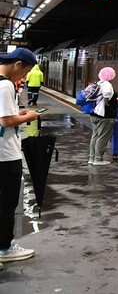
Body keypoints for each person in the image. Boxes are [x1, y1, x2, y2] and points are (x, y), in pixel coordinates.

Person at [0, 47, 41, 265]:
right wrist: (29, 116)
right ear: (17, 65)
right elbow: (5, 121)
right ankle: (5, 248)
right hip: (6, 154)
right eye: (24, 72)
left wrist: (18, 113)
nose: (23, 77)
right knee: (7, 203)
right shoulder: (5, 84)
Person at [88, 67, 117, 166]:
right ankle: (98, 159)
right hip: (105, 116)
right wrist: (106, 101)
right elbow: (107, 94)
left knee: (95, 136)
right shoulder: (107, 84)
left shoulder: (97, 84)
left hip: (94, 114)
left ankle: (92, 158)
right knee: (102, 137)